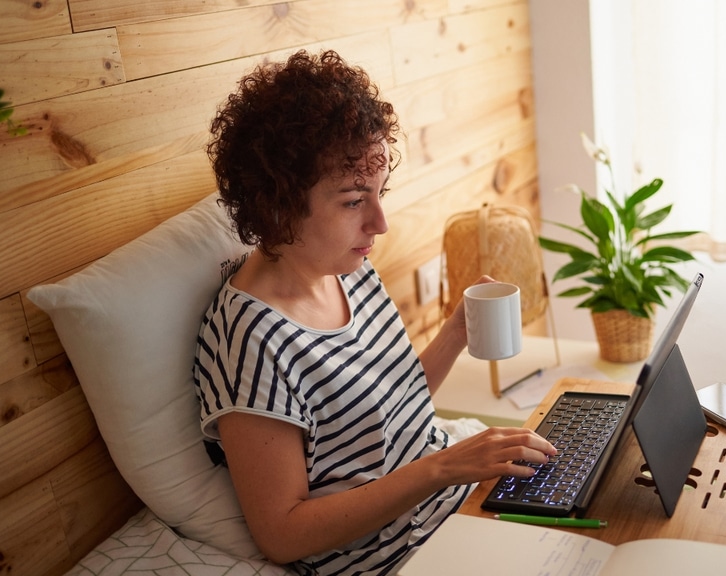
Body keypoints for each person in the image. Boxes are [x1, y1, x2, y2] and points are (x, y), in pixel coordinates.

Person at [193, 50, 556, 575]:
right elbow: (282, 533)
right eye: (352, 201)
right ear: (276, 206)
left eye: (379, 193)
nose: (380, 223)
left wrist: (457, 329)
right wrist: (443, 467)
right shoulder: (251, 340)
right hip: (399, 557)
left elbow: (391, 408)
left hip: (459, 511)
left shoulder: (348, 269)